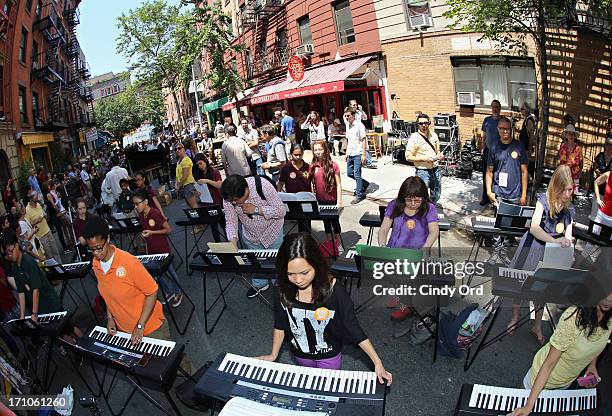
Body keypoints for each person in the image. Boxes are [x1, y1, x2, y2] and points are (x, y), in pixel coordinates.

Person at [256, 233, 393, 385]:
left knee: (327, 387)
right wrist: (274, 354)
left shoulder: (334, 290)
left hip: (329, 354)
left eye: (304, 272)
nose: (298, 280)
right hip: (300, 353)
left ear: (316, 264)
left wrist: (377, 362)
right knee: (311, 382)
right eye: (290, 274)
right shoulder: (281, 289)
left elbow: (352, 327)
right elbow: (280, 324)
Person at [508, 278, 611, 416]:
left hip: (565, 384)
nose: (609, 299)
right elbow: (549, 364)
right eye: (606, 291)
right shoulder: (574, 319)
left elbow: (597, 341)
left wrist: (592, 365)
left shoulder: (609, 318)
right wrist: (528, 405)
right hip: (539, 381)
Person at [506, 165, 575, 345]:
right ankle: (514, 317)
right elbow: (534, 227)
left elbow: (569, 235)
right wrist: (554, 240)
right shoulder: (543, 200)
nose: (568, 194)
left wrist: (568, 246)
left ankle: (536, 325)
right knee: (520, 284)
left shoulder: (569, 210)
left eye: (571, 190)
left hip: (551, 252)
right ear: (557, 186)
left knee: (542, 289)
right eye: (566, 190)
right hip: (533, 246)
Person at [83, 216, 169, 344]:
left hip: (150, 329)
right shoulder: (96, 265)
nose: (96, 253)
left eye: (99, 247)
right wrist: (110, 317)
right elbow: (108, 294)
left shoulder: (129, 262)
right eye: (92, 249)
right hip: (126, 331)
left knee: (171, 362)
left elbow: (152, 291)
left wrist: (140, 326)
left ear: (108, 239)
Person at [378, 176, 439, 321]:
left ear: (424, 198)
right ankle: (398, 295)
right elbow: (383, 230)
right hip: (395, 249)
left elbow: (434, 231)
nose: (412, 204)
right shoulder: (394, 205)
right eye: (409, 200)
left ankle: (407, 304)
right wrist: (382, 247)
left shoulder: (429, 208)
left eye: (417, 200)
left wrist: (425, 249)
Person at [221, 175, 285, 298]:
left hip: (273, 231)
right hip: (251, 236)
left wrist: (257, 210)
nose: (234, 203)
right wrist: (232, 243)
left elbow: (281, 211)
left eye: (236, 200)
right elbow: (231, 221)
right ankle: (260, 284)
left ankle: (280, 283)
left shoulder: (262, 185)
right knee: (256, 263)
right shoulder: (229, 197)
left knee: (277, 262)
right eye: (232, 201)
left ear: (246, 190)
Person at [486, 116, 529, 264]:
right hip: (499, 193)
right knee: (498, 224)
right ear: (498, 130)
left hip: (515, 194)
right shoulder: (493, 147)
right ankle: (495, 251)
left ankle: (505, 252)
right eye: (502, 128)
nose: (505, 131)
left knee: (511, 227)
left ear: (511, 129)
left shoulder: (519, 146)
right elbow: (489, 171)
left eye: (507, 128)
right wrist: (489, 191)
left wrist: (523, 194)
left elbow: (524, 171)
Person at [132, 189, 183, 308]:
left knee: (170, 272)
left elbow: (168, 229)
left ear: (145, 202)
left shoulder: (154, 213)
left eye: (137, 203)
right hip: (151, 248)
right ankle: (169, 291)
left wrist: (152, 233)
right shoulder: (141, 215)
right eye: (134, 204)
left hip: (162, 248)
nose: (135, 207)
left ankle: (178, 292)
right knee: (158, 274)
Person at [0, 229, 62, 323]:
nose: (10, 255)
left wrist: (34, 314)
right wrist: (22, 316)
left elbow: (35, 290)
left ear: (17, 245)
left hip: (49, 302)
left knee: (67, 330)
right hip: (39, 308)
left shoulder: (28, 261)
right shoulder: (15, 267)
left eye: (11, 251)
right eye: (7, 254)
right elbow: (21, 292)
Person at [309, 140, 344, 252]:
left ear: (325, 150)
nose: (318, 152)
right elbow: (311, 182)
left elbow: (338, 184)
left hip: (332, 200)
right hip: (320, 200)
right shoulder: (313, 166)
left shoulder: (334, 165)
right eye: (315, 150)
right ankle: (330, 243)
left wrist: (339, 201)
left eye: (320, 149)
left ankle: (338, 243)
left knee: (335, 222)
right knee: (326, 223)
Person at [405, 113, 442, 203]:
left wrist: (439, 156)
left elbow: (437, 151)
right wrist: (424, 159)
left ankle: (431, 207)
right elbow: (408, 157)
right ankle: (424, 211)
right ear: (417, 124)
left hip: (435, 169)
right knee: (421, 195)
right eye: (421, 123)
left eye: (426, 123)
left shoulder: (434, 135)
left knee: (436, 194)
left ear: (429, 123)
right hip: (422, 171)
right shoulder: (414, 138)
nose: (424, 125)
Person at [192, 153, 225, 242]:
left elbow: (219, 185)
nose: (200, 166)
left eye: (201, 163)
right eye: (197, 165)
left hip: (217, 202)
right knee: (213, 228)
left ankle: (232, 246)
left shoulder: (215, 172)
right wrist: (196, 193)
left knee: (224, 226)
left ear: (205, 161)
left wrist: (207, 181)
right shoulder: (199, 174)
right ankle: (219, 248)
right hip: (207, 204)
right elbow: (197, 190)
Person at [24, 191, 61, 263]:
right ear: (31, 198)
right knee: (50, 256)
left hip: (48, 230)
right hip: (41, 236)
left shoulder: (38, 204)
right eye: (36, 196)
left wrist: (45, 216)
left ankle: (62, 268)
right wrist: (37, 221)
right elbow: (28, 225)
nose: (38, 197)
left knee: (56, 252)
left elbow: (43, 215)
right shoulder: (27, 210)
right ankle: (56, 271)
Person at [344, 107, 369, 204]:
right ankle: (364, 183)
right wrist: (346, 153)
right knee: (349, 173)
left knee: (357, 174)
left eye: (348, 116)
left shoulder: (359, 125)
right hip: (351, 153)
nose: (347, 117)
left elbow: (363, 139)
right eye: (345, 116)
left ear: (353, 116)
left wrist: (363, 154)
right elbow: (349, 140)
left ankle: (359, 194)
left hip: (358, 153)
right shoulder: (347, 125)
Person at [480, 100, 502, 205]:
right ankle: (485, 197)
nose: (495, 109)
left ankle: (496, 197)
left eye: (497, 107)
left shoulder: (503, 121)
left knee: (497, 175)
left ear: (500, 108)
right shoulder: (487, 120)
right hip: (487, 151)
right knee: (485, 174)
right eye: (493, 107)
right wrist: (482, 149)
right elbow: (484, 136)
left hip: (499, 152)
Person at [46, 180, 74, 250]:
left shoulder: (56, 192)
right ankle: (71, 241)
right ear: (53, 186)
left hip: (62, 210)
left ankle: (70, 241)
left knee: (66, 227)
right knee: (68, 226)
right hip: (61, 212)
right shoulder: (51, 194)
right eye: (55, 184)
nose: (56, 185)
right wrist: (59, 210)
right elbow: (55, 206)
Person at [175, 141, 199, 209]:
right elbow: (178, 175)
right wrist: (177, 184)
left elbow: (185, 175)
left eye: (179, 148)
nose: (177, 150)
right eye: (176, 149)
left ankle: (199, 218)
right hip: (183, 186)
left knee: (194, 205)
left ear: (184, 149)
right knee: (190, 206)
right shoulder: (179, 160)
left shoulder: (186, 160)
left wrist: (178, 186)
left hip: (188, 185)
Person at [558, 124, 582, 191]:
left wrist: (579, 172)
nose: (571, 136)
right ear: (566, 135)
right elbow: (561, 160)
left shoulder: (578, 148)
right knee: (562, 192)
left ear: (575, 136)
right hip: (564, 174)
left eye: (573, 134)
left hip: (574, 176)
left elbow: (580, 163)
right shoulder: (563, 146)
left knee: (572, 195)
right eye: (569, 134)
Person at [518, 103, 537, 173]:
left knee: (525, 164)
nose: (521, 111)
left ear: (527, 110)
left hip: (526, 147)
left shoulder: (529, 120)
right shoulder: (526, 119)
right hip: (523, 147)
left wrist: (529, 148)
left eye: (522, 109)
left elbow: (531, 135)